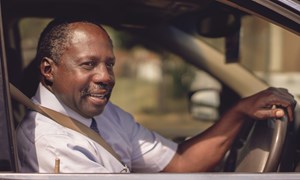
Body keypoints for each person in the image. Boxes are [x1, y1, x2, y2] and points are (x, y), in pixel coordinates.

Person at [16, 17, 296, 173]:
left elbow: (181, 164)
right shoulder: (52, 144)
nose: (105, 77)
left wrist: (239, 111)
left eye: (109, 64)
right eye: (88, 64)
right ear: (48, 70)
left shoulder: (102, 113)